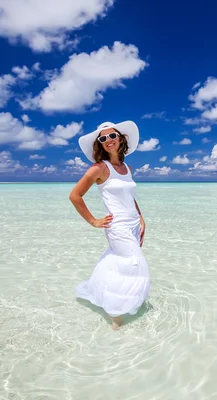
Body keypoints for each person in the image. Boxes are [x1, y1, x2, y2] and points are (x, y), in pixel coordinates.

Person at [69, 120, 150, 330]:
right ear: (100, 144)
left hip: (132, 224)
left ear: (121, 138)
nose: (108, 140)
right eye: (103, 138)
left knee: (120, 264)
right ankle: (116, 313)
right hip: (118, 227)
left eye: (112, 136)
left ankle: (106, 297)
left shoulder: (127, 168)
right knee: (135, 264)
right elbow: (75, 196)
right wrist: (93, 221)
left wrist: (141, 218)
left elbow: (129, 196)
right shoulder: (98, 168)